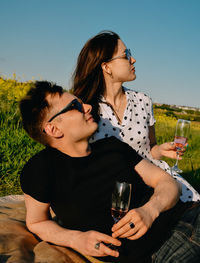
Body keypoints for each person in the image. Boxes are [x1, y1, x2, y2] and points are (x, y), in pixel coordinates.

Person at [19, 81, 200, 263]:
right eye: (75, 106)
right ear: (54, 129)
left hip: (186, 221)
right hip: (153, 253)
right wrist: (76, 239)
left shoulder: (111, 146)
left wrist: (150, 210)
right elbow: (36, 222)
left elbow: (167, 182)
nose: (88, 107)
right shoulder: (40, 170)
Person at [72, 30, 200, 203]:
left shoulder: (143, 100)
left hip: (158, 179)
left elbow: (150, 149)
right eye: (126, 55)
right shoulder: (85, 109)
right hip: (115, 188)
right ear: (106, 66)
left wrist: (160, 150)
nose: (133, 60)